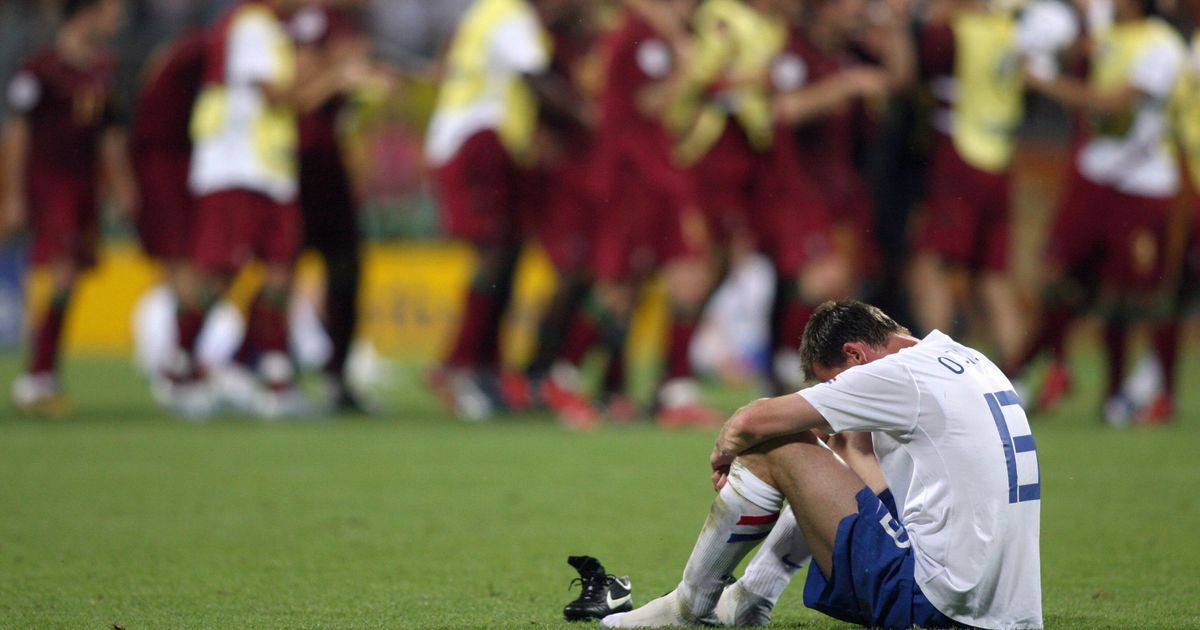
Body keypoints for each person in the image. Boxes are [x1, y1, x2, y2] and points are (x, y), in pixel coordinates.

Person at [601, 300, 1042, 629]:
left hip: (937, 607)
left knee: (775, 443)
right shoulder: (966, 360)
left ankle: (690, 608)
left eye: (835, 382)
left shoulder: (895, 374)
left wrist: (725, 448)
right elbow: (885, 497)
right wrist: (846, 453)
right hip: (1007, 612)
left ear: (854, 355)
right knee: (828, 452)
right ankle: (750, 599)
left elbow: (752, 421)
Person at [1018, 0, 1186, 425]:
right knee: (1058, 280)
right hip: (1094, 176)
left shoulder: (1162, 46)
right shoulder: (1107, 36)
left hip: (1142, 185)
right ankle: (1023, 374)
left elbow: (1113, 104)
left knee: (1127, 296)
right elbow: (1081, 56)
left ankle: (1119, 395)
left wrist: (1044, 82)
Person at [170, 0, 341, 418]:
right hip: (236, 166)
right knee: (217, 274)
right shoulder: (251, 26)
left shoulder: (271, 30)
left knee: (282, 269)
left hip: (270, 168)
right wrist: (336, 78)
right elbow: (277, 96)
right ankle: (180, 367)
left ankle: (276, 378)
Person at [425, 0, 572, 421]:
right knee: (493, 254)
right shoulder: (508, 15)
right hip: (475, 140)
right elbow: (534, 76)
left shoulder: (491, 12)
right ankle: (459, 367)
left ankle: (484, 367)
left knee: (506, 253)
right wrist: (585, 115)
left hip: (488, 142)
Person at [3, 0, 134, 415]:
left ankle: (43, 375)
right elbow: (18, 134)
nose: (119, 17)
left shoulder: (103, 69)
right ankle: (38, 376)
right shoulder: (39, 69)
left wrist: (122, 185)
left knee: (69, 275)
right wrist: (13, 195)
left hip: (82, 187)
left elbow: (109, 135)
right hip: (46, 183)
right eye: (112, 9)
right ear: (88, 12)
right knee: (62, 273)